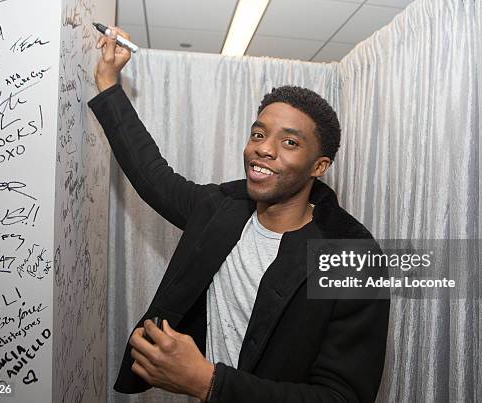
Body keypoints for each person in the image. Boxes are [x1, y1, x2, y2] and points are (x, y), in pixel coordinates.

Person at [89, 27, 390, 403]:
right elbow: (152, 177)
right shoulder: (221, 209)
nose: (264, 149)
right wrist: (107, 82)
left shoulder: (353, 257)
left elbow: (342, 397)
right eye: (259, 134)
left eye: (290, 142)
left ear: (319, 166)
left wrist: (208, 383)